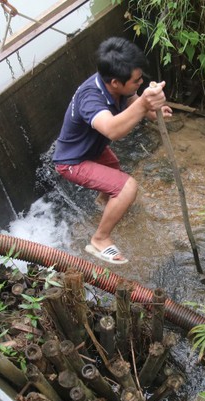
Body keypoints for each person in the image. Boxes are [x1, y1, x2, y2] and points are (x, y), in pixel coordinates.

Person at [51, 37, 172, 265]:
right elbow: (112, 130)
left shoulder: (116, 84)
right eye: (137, 80)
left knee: (114, 172)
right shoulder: (91, 98)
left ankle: (104, 204)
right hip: (72, 160)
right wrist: (145, 104)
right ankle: (99, 239)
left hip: (92, 148)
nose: (141, 83)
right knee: (127, 187)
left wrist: (151, 111)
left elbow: (131, 98)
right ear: (115, 82)